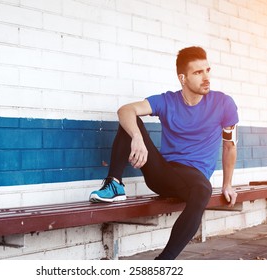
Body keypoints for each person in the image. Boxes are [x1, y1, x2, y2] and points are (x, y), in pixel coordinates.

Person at [89, 46, 239, 260]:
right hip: (163, 174)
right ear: (182, 78)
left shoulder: (224, 103)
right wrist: (137, 137)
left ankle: (163, 263)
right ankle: (114, 184)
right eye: (198, 73)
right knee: (130, 121)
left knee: (202, 189)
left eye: (207, 70)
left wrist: (227, 184)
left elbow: (229, 146)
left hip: (194, 178)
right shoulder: (168, 100)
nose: (206, 77)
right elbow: (125, 110)